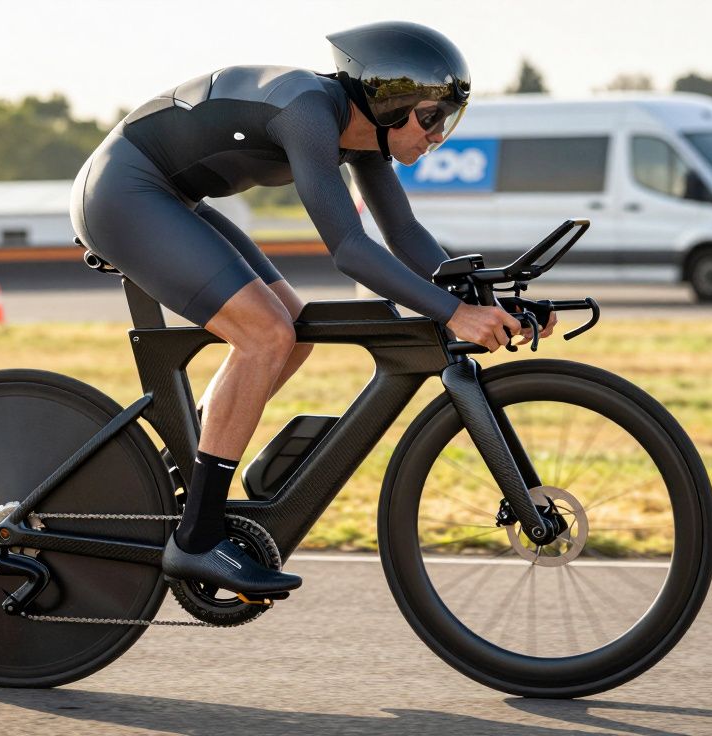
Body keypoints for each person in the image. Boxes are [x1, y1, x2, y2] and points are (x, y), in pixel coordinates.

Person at [70, 21, 555, 595]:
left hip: (167, 197)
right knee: (265, 334)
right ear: (386, 102)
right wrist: (453, 314)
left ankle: (179, 473)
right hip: (123, 192)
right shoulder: (308, 111)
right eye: (431, 117)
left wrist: (486, 300)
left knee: (290, 331)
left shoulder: (365, 139)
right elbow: (350, 250)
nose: (438, 135)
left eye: (447, 120)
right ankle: (197, 540)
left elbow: (404, 233)